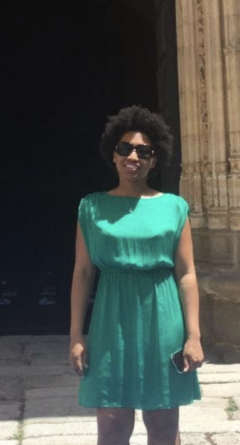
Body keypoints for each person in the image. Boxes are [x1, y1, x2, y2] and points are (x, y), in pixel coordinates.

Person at [72, 106, 202, 438]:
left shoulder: (174, 206)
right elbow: (83, 272)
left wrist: (194, 336)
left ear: (155, 160)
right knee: (112, 422)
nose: (134, 156)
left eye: (144, 151)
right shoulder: (91, 207)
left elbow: (186, 273)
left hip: (162, 316)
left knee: (162, 422)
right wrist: (76, 335)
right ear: (113, 155)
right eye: (125, 148)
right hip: (110, 318)